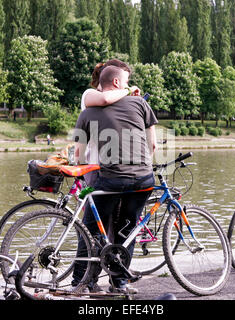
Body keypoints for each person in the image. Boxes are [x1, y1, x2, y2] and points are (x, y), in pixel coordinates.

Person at [72, 65, 158, 294]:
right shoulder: (141, 103)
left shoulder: (87, 112)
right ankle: (118, 283)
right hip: (144, 179)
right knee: (127, 228)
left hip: (110, 179)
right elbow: (153, 145)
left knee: (89, 229)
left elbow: (78, 155)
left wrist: (81, 177)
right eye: (127, 81)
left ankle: (81, 282)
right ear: (119, 83)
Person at [80, 59, 141, 187]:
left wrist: (135, 102)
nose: (126, 85)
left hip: (118, 169)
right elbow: (105, 99)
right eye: (125, 81)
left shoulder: (118, 98)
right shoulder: (90, 94)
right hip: (96, 166)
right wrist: (129, 90)